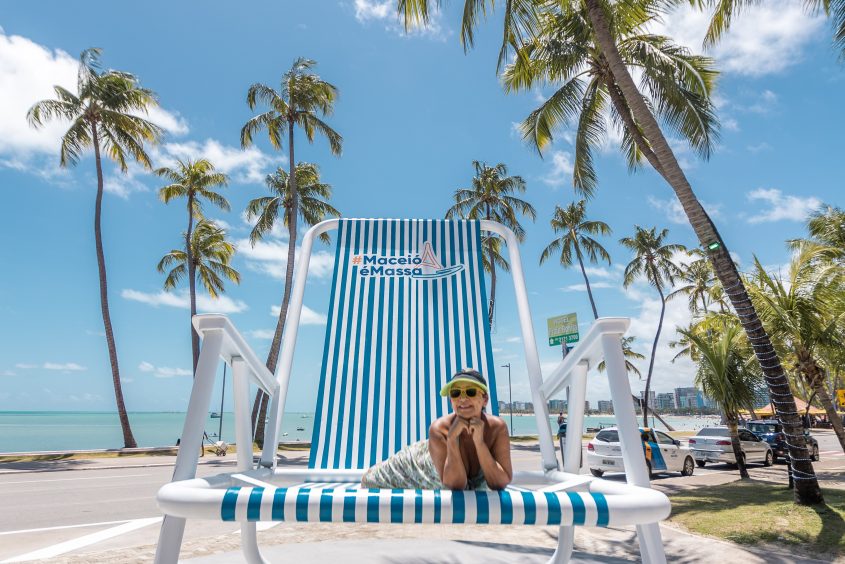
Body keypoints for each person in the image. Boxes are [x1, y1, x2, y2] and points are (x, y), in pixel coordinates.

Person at [361, 368, 512, 490]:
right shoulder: (440, 429)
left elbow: (500, 483)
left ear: (484, 399)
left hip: (444, 464)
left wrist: (480, 443)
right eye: (455, 393)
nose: (463, 398)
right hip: (417, 463)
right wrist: (452, 440)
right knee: (369, 481)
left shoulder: (497, 428)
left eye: (471, 392)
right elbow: (455, 485)